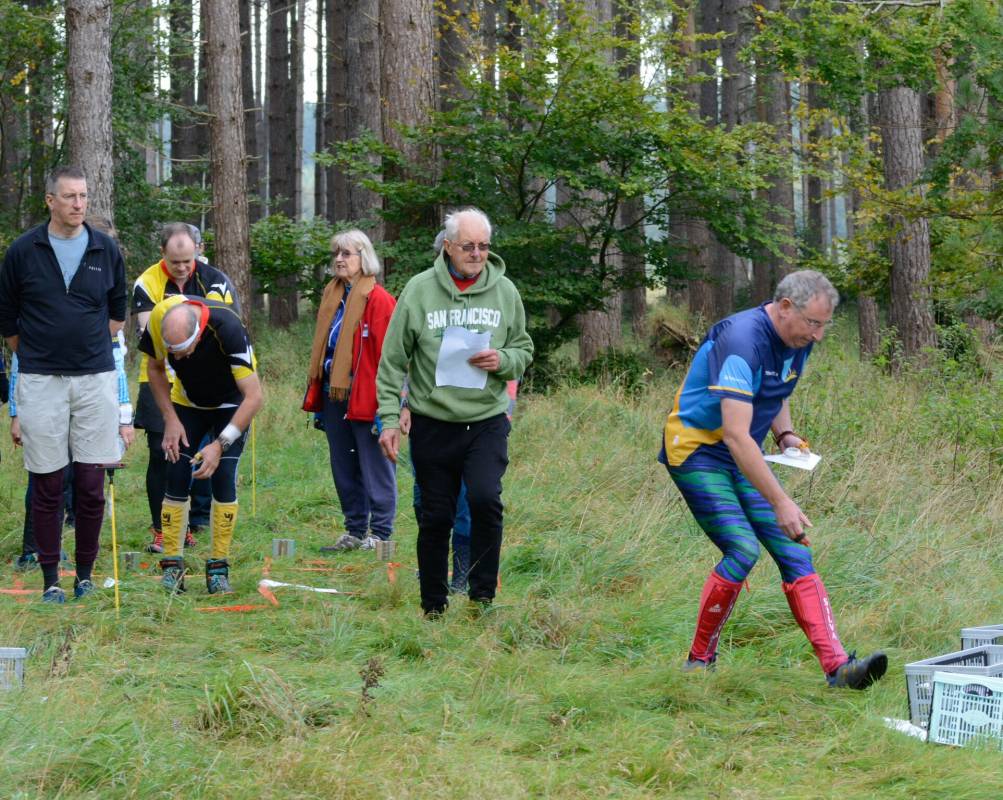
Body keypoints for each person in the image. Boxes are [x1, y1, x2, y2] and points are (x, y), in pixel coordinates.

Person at [659, 270, 887, 689]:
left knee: (795, 549)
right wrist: (782, 500)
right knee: (743, 549)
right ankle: (698, 662)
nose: (817, 335)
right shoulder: (742, 342)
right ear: (785, 307)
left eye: (825, 325)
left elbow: (778, 390)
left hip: (742, 451)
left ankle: (839, 669)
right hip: (697, 450)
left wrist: (784, 434)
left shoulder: (797, 338)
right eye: (813, 324)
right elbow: (734, 434)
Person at [376, 207, 534, 616]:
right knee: (436, 515)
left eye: (484, 246)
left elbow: (523, 348)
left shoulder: (506, 292)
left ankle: (481, 597)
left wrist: (502, 359)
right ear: (448, 247)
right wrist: (391, 419)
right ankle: (433, 605)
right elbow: (393, 360)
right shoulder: (419, 290)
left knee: (484, 499)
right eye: (468, 246)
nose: (477, 254)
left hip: (486, 421)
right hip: (433, 422)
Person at [0, 165, 130, 602]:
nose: (79, 204)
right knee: (48, 482)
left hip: (95, 380)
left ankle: (86, 575)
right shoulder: (23, 251)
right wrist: (39, 352)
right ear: (50, 200)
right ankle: (51, 577)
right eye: (70, 196)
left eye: (84, 196)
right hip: (40, 381)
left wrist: (85, 344)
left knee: (92, 484)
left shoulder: (105, 249)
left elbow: (117, 313)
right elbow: (8, 319)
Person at [139, 294, 262, 594]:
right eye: (172, 352)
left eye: (183, 351)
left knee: (222, 479)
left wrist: (219, 445)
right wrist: (169, 418)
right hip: (187, 403)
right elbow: (155, 369)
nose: (177, 359)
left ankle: (218, 567)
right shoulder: (159, 318)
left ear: (198, 333)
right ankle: (172, 566)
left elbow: (254, 397)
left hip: (231, 404)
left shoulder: (228, 328)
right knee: (177, 474)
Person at [132, 223, 239, 554]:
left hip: (204, 376)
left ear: (196, 251)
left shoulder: (216, 279)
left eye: (187, 261)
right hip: (160, 373)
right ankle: (161, 528)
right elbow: (150, 331)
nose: (182, 267)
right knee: (162, 452)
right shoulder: (147, 281)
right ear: (163, 253)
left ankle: (197, 520)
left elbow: (222, 323)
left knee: (205, 447)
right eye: (175, 261)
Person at [307, 229, 398, 552]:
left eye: (347, 254)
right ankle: (355, 530)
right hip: (334, 393)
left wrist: (390, 406)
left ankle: (381, 533)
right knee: (343, 464)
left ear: (364, 258)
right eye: (337, 254)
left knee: (375, 464)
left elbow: (393, 356)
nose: (339, 259)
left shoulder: (379, 300)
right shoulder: (332, 295)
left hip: (368, 396)